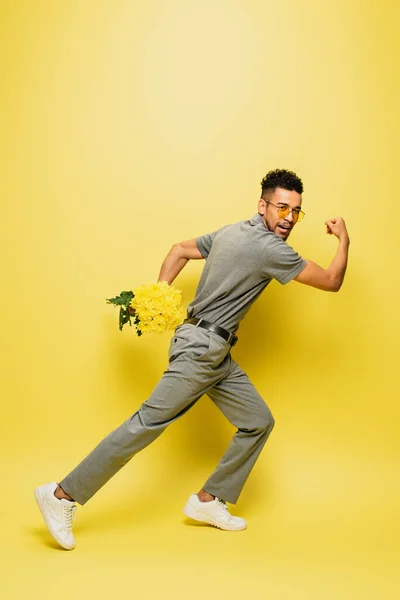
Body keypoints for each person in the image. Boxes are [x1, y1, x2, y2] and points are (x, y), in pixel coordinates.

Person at [34, 168, 350, 550]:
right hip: (201, 351)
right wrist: (343, 240)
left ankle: (208, 500)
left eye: (295, 212)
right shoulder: (270, 249)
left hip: (212, 350)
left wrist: (159, 295)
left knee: (257, 421)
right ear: (262, 205)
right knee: (144, 425)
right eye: (282, 208)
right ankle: (61, 495)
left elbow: (178, 250)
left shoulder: (232, 231)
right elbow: (332, 281)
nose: (288, 218)